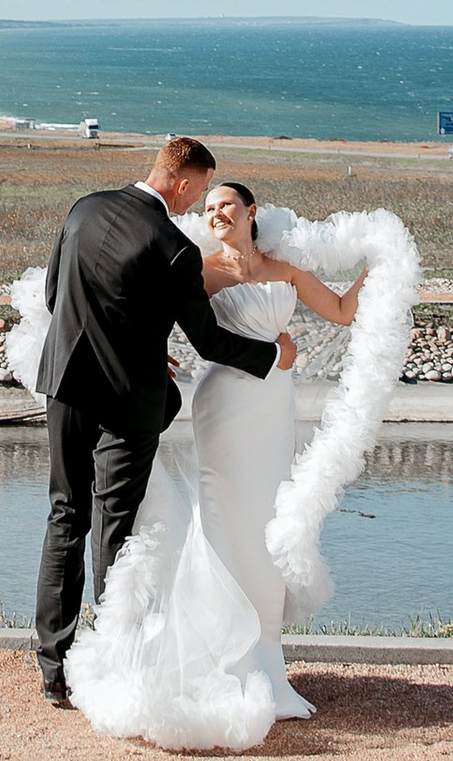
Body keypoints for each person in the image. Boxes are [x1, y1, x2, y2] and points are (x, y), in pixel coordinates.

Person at [26, 134, 288, 708]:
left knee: (64, 515)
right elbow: (209, 340)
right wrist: (272, 357)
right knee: (113, 530)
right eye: (199, 195)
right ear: (187, 183)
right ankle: (109, 663)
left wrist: (132, 339)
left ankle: (52, 668)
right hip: (129, 400)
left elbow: (55, 294)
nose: (198, 207)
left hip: (66, 383)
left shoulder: (85, 207)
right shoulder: (173, 247)